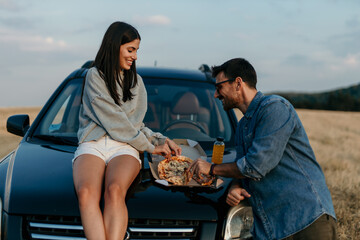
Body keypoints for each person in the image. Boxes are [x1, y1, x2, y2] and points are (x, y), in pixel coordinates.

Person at [188, 58, 337, 239]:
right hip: (273, 228)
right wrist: (235, 186)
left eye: (219, 87)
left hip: (305, 220)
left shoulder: (275, 108)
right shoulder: (243, 126)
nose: (216, 95)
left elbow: (255, 166)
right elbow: (243, 168)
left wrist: (212, 168)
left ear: (238, 83)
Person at [72, 21, 181, 240]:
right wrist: (149, 147)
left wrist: (160, 139)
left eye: (136, 51)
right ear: (114, 47)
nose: (135, 56)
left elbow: (135, 125)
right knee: (85, 194)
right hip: (93, 143)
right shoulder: (94, 75)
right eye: (130, 50)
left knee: (114, 191)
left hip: (126, 146)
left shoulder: (137, 82)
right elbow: (114, 119)